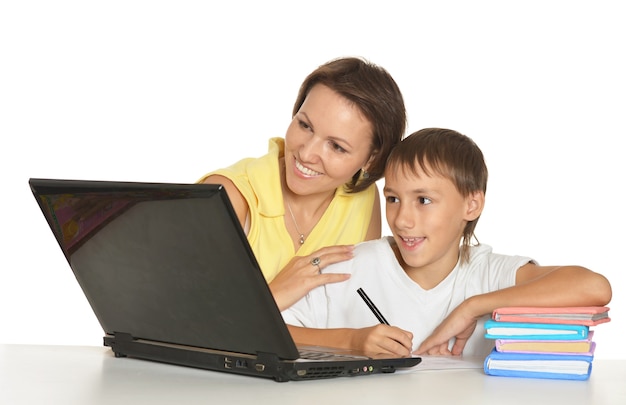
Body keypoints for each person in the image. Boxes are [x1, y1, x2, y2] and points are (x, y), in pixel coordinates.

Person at [281, 128, 612, 357]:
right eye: (393, 198)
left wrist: (472, 307)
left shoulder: (488, 273)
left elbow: (594, 286)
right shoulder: (349, 267)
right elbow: (272, 334)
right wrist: (351, 341)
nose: (402, 219)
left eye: (423, 200)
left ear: (472, 205)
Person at [198, 57, 407, 311]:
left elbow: (347, 309)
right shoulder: (228, 196)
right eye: (305, 125)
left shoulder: (364, 199)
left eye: (337, 146)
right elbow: (184, 319)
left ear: (371, 160)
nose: (307, 153)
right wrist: (274, 294)